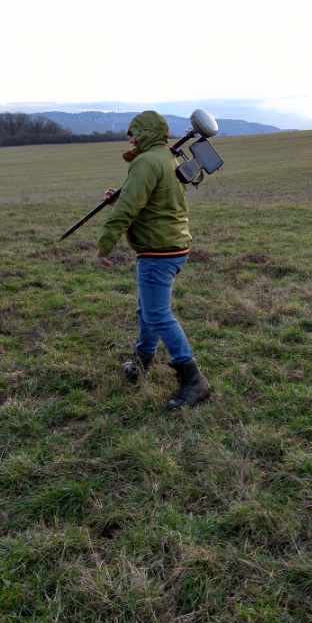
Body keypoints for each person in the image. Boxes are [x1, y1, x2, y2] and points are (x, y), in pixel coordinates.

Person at [96, 110, 210, 409]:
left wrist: (105, 242)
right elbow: (153, 199)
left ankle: (193, 379)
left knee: (158, 314)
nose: (130, 138)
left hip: (159, 250)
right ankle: (142, 359)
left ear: (145, 134)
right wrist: (121, 197)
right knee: (148, 309)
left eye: (134, 132)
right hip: (173, 245)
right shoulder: (166, 157)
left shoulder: (147, 161)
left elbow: (129, 209)